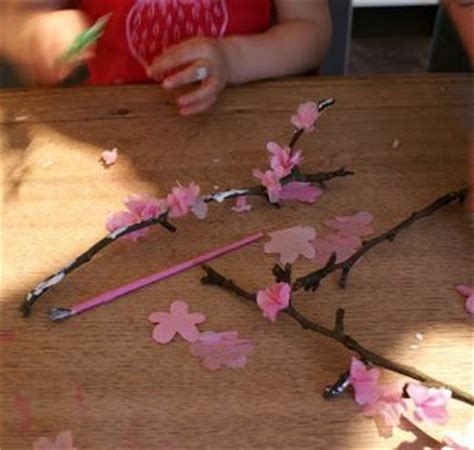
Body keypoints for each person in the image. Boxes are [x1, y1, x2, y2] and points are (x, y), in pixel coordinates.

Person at [1, 0, 331, 116]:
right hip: (111, 126)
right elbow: (11, 18)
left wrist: (234, 58)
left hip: (242, 121)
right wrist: (32, 31)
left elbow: (311, 31)